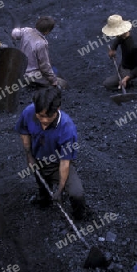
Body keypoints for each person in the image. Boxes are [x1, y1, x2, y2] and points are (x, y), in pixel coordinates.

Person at [15, 86, 86, 220]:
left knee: (77, 194)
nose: (44, 121)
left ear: (57, 109)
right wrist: (29, 156)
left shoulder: (67, 128)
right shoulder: (28, 112)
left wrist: (59, 191)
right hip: (37, 159)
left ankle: (80, 216)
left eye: (49, 116)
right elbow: (24, 132)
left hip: (57, 163)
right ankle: (44, 200)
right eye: (40, 116)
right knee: (42, 184)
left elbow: (65, 162)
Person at [11, 16, 67, 89]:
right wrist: (53, 81)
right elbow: (45, 66)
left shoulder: (26, 31)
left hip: (21, 70)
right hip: (32, 76)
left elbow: (14, 34)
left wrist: (16, 29)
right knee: (63, 83)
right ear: (47, 31)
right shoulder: (42, 44)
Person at [102, 14, 137, 89]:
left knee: (107, 84)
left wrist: (127, 78)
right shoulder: (124, 34)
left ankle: (132, 82)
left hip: (132, 69)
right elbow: (119, 38)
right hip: (125, 65)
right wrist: (113, 48)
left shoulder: (134, 46)